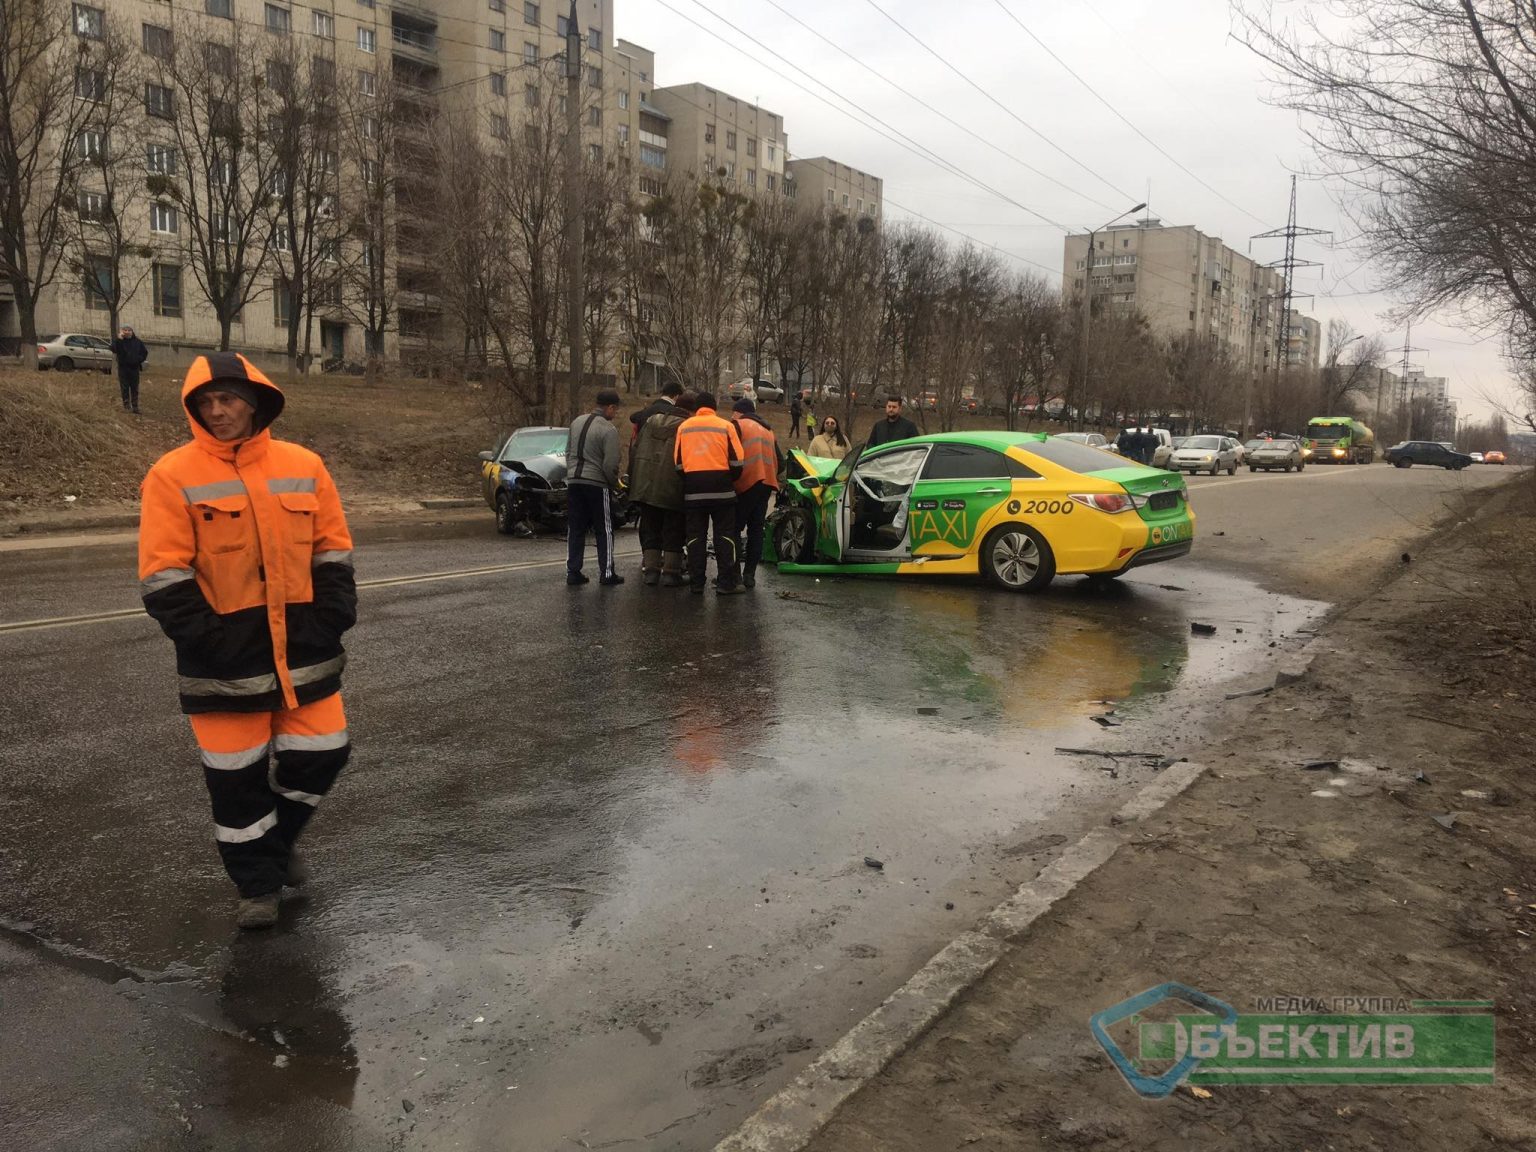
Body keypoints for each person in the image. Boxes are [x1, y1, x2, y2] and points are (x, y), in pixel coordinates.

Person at [138, 351, 356, 930]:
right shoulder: (172, 474)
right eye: (205, 403)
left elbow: (332, 549)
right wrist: (209, 639)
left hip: (304, 651)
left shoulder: (304, 464)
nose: (217, 412)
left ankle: (275, 849)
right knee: (236, 785)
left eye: (228, 399)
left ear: (255, 400)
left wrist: (331, 616)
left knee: (326, 752)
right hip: (220, 661)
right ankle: (258, 887)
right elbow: (163, 575)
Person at [674, 392, 744, 595]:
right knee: (725, 536)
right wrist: (728, 479)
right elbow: (738, 462)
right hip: (722, 490)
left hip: (694, 491)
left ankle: (696, 583)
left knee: (696, 537)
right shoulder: (726, 426)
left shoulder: (684, 427)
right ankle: (726, 583)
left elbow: (678, 464)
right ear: (714, 407)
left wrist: (690, 479)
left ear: (696, 408)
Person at [630, 391, 693, 586]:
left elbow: (634, 450)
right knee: (673, 529)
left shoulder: (651, 420)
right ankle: (670, 573)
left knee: (650, 527)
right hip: (673, 486)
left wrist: (632, 481)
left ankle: (651, 572)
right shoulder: (686, 427)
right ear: (691, 410)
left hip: (645, 484)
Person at [566, 389, 624, 587]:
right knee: (604, 528)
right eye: (615, 410)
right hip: (597, 484)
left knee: (576, 528)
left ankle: (573, 571)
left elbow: (568, 452)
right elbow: (610, 464)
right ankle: (607, 572)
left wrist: (572, 473)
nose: (614, 414)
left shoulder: (576, 422)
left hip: (574, 481)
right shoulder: (608, 429)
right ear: (610, 407)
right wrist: (614, 483)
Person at [730, 398, 781, 589]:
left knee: (733, 529)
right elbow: (781, 462)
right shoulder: (768, 430)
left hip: (746, 481)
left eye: (733, 413)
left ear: (739, 412)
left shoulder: (738, 425)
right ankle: (749, 576)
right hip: (766, 483)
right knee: (756, 530)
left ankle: (733, 576)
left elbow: (731, 455)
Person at [629, 380, 683, 450]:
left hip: (642, 452)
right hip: (661, 453)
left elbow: (633, 417)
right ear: (676, 396)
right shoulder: (674, 412)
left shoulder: (648, 409)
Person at [110, 326, 149, 414]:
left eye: (129, 330)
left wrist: (138, 359)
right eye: (125, 330)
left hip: (134, 368)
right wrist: (119, 339)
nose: (127, 332)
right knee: (124, 387)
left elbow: (144, 353)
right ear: (122, 331)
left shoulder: (137, 342)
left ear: (132, 332)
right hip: (123, 368)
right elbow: (113, 349)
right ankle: (126, 406)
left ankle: (135, 406)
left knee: (134, 388)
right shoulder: (119, 341)